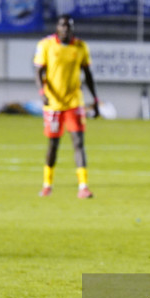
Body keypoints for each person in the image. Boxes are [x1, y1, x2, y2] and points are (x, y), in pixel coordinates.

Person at [33, 15, 99, 198]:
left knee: (79, 143)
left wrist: (95, 98)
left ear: (72, 29)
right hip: (53, 104)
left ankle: (83, 186)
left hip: (74, 102)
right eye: (62, 26)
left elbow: (88, 74)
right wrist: (42, 94)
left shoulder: (80, 47)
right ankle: (47, 184)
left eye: (68, 26)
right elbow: (38, 71)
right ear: (57, 27)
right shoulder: (45, 45)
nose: (65, 29)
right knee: (53, 145)